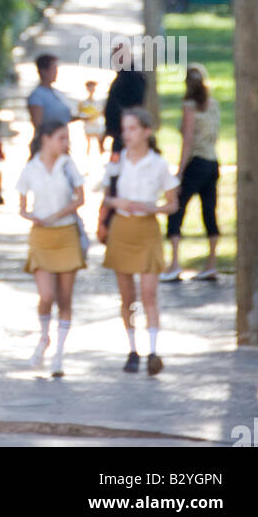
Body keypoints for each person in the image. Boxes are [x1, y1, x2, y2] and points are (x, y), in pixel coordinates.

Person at [101, 107, 179, 375]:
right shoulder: (117, 160)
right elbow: (106, 196)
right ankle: (132, 348)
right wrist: (118, 202)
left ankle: (153, 350)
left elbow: (172, 204)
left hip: (146, 228)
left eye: (133, 128)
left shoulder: (158, 164)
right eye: (125, 129)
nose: (127, 134)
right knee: (127, 297)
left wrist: (151, 208)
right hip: (122, 228)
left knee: (149, 293)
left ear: (147, 131)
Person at [17, 118, 86, 377]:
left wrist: (58, 215)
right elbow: (22, 206)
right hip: (42, 237)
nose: (65, 143)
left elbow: (81, 198)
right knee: (46, 295)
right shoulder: (31, 167)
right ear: (46, 138)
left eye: (67, 138)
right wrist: (31, 216)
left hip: (66, 233)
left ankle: (59, 351)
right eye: (61, 138)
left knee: (65, 297)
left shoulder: (68, 166)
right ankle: (44, 337)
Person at [162, 65, 221, 282]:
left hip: (195, 162)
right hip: (213, 161)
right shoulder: (213, 104)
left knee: (176, 209)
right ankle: (211, 263)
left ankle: (175, 263)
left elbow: (187, 140)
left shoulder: (189, 106)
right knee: (209, 212)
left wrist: (179, 173)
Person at [103, 39, 146, 153]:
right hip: (119, 134)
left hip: (127, 135)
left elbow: (135, 106)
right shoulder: (121, 78)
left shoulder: (134, 78)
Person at [27, 53, 74, 130]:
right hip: (49, 140)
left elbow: (63, 118)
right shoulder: (37, 96)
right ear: (43, 71)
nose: (56, 72)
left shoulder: (57, 93)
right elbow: (38, 125)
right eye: (54, 69)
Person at [78, 79, 106, 156]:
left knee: (100, 144)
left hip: (97, 126)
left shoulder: (98, 103)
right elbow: (80, 115)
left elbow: (102, 113)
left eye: (93, 87)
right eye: (90, 87)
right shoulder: (83, 103)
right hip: (88, 127)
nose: (92, 89)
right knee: (88, 145)